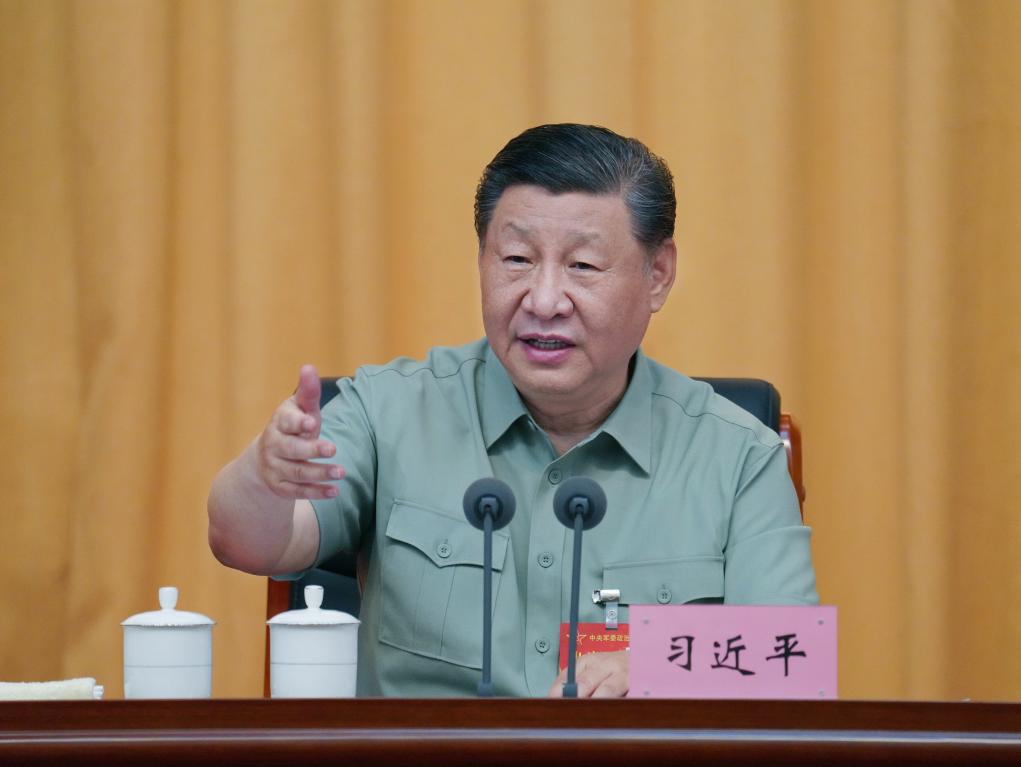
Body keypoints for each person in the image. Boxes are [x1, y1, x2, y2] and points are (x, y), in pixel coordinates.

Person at [208, 124, 818, 698]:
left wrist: (658, 663)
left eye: (582, 266)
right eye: (517, 260)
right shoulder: (387, 413)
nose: (544, 299)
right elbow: (251, 544)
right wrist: (262, 480)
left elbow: (794, 658)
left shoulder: (738, 456)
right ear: (482, 261)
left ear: (657, 275)